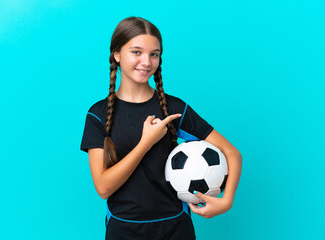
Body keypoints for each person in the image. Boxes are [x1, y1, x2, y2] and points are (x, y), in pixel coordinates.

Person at [80, 16, 242, 240]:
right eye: (136, 52)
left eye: (154, 54)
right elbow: (103, 187)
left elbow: (232, 153)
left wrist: (226, 201)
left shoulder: (174, 109)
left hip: (175, 229)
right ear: (117, 54)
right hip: (123, 230)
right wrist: (146, 142)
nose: (146, 61)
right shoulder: (97, 115)